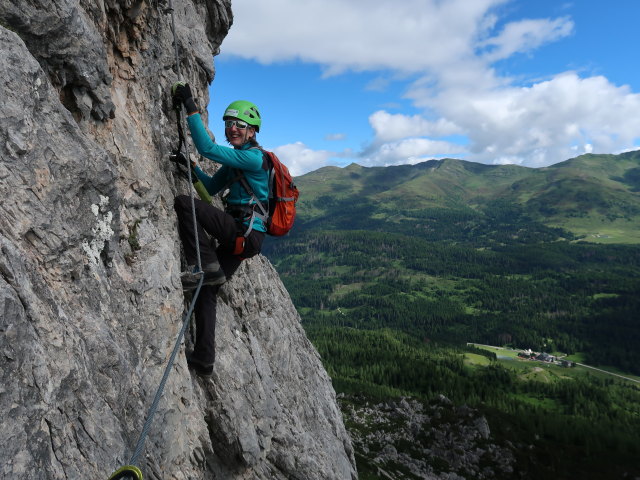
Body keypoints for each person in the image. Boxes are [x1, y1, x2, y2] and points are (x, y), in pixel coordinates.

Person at [171, 82, 269, 377]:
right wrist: (190, 168)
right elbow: (210, 190)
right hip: (244, 237)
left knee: (182, 203)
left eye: (239, 125)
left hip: (242, 231)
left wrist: (190, 107)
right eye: (229, 124)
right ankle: (203, 359)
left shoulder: (254, 158)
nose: (232, 129)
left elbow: (207, 148)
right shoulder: (239, 162)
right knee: (206, 290)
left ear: (252, 131)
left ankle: (203, 264)